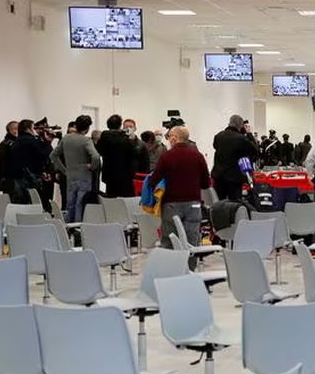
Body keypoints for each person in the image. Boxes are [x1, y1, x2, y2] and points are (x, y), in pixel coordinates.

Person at [147, 125, 210, 268]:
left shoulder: (167, 157)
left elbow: (153, 180)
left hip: (171, 204)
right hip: (193, 204)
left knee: (169, 239)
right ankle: (190, 271)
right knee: (192, 240)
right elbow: (206, 183)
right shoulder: (197, 156)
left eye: (169, 137)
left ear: (174, 138)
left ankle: (171, 272)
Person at [51, 115, 101, 222]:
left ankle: (69, 227)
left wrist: (64, 169)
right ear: (87, 128)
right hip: (84, 176)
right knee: (80, 204)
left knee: (70, 204)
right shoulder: (86, 140)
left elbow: (53, 155)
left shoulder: (66, 138)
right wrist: (92, 166)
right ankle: (78, 229)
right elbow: (96, 156)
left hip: (70, 175)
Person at [212, 114, 260, 201]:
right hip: (234, 178)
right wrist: (249, 134)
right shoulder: (241, 139)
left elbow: (215, 147)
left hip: (218, 176)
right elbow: (255, 150)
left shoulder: (218, 136)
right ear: (241, 126)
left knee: (219, 202)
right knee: (234, 203)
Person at [8, 119, 51, 207]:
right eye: (33, 127)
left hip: (18, 177)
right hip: (31, 178)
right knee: (38, 202)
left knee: (23, 204)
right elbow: (43, 155)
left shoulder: (16, 142)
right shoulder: (31, 141)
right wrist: (47, 142)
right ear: (28, 129)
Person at [96, 114, 139, 197]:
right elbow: (134, 153)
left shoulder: (104, 136)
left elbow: (99, 150)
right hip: (125, 174)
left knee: (111, 197)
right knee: (126, 199)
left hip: (109, 174)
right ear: (120, 125)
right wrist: (131, 140)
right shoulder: (125, 138)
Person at [0, 120, 18, 195]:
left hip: (16, 180)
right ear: (10, 130)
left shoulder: (17, 143)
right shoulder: (5, 144)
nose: (17, 131)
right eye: (15, 129)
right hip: (10, 180)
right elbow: (5, 165)